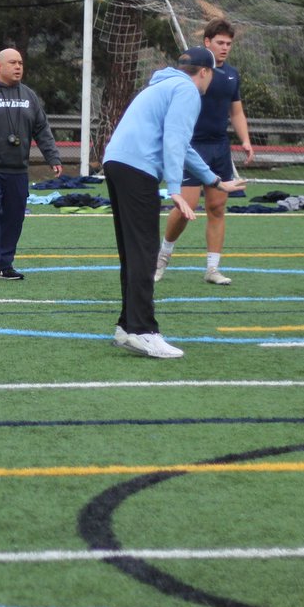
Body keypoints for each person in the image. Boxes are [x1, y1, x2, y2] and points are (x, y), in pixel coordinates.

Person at [102, 46, 247, 360]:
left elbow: (183, 145)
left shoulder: (164, 85)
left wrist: (214, 181)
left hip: (116, 163)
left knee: (132, 251)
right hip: (137, 167)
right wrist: (176, 189)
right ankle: (143, 331)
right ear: (205, 72)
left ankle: (127, 327)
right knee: (143, 251)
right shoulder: (187, 90)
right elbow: (174, 139)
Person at [155, 18, 255, 285]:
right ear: (207, 42)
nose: (225, 48)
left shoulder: (232, 75)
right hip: (191, 146)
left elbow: (236, 110)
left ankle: (212, 268)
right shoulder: (194, 72)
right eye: (220, 42)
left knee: (217, 207)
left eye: (229, 44)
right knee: (185, 206)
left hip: (219, 147)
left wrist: (245, 140)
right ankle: (162, 257)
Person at [0, 48, 64, 281]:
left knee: (14, 216)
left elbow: (42, 129)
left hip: (18, 170)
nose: (18, 67)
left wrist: (53, 157)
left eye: (20, 63)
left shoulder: (29, 96)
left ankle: (5, 264)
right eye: (12, 63)